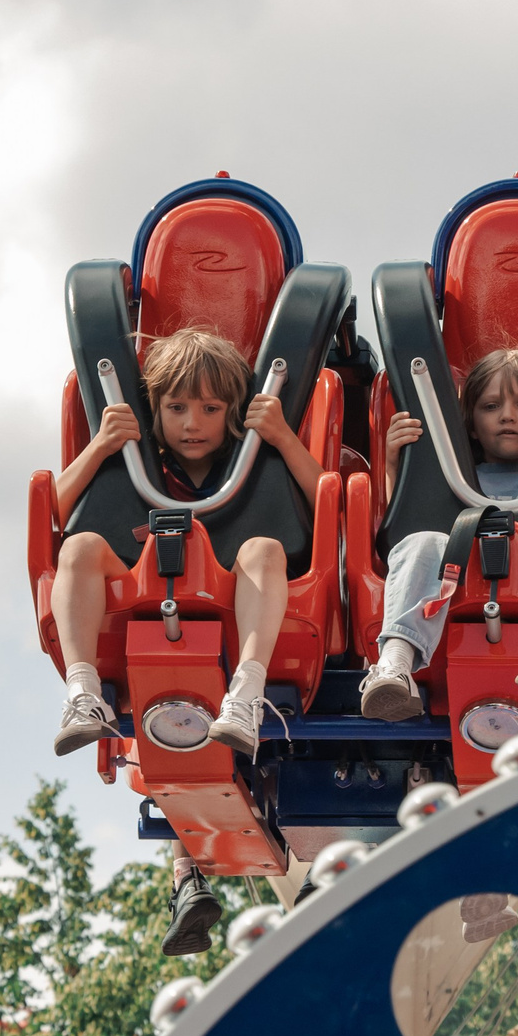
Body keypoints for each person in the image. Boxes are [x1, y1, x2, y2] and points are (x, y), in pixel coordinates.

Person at [45, 328, 320, 953]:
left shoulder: (254, 459)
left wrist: (282, 438)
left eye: (210, 409)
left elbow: (334, 508)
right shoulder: (130, 460)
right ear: (154, 410)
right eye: (176, 408)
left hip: (234, 612)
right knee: (80, 547)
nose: (193, 424)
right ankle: (83, 691)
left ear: (233, 412)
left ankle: (247, 693)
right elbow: (49, 519)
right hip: (143, 611)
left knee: (264, 548)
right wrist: (99, 447)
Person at [359, 347, 518, 722]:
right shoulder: (454, 479)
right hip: (457, 578)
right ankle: (395, 663)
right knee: (421, 542)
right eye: (491, 406)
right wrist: (395, 466)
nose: (507, 416)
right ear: (470, 423)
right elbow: (402, 525)